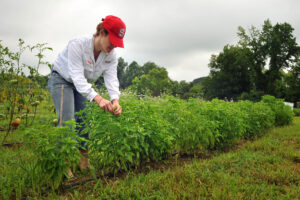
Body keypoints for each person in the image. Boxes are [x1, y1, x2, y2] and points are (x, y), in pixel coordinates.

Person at [47, 15, 126, 177]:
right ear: (102, 32)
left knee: (84, 121)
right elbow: (76, 76)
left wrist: (115, 100)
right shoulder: (78, 44)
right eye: (112, 41)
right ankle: (64, 164)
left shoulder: (110, 54)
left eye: (117, 44)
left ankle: (84, 162)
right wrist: (98, 98)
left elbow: (111, 78)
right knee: (68, 121)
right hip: (62, 79)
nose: (113, 46)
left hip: (83, 86)